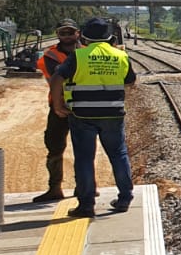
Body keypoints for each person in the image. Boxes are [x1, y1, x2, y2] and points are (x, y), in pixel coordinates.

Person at [51, 17, 136, 218]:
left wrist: (58, 104)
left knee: (84, 159)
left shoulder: (78, 56)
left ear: (85, 38)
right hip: (113, 114)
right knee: (118, 154)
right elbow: (130, 81)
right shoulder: (120, 55)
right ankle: (125, 197)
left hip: (82, 115)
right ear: (109, 37)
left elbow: (57, 77)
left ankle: (87, 205)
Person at [31, 19, 82, 204]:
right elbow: (57, 78)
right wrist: (58, 105)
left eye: (70, 32)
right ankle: (55, 188)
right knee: (54, 147)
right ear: (58, 34)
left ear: (78, 33)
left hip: (81, 105)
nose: (67, 36)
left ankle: (83, 186)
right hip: (58, 106)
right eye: (63, 33)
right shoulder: (51, 55)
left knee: (83, 148)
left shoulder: (85, 51)